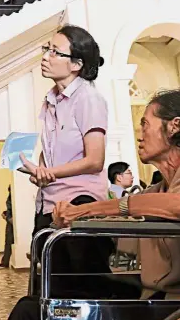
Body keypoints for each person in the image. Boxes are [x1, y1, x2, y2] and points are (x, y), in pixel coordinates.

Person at [8, 89, 180, 320]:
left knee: (33, 315)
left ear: (174, 126)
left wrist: (88, 210)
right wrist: (77, 217)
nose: (140, 135)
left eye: (146, 124)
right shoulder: (159, 188)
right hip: (153, 297)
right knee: (35, 306)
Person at [18, 24, 113, 298]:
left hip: (79, 207)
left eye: (54, 52)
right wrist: (37, 169)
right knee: (52, 294)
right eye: (46, 49)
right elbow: (50, 151)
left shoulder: (88, 98)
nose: (45, 56)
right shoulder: (50, 101)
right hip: (49, 205)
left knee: (80, 296)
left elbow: (95, 160)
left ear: (76, 64)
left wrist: (50, 172)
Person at [0, 185, 14, 268]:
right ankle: (5, 262)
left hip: (12, 221)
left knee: (9, 242)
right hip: (10, 221)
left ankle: (5, 262)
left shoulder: (13, 197)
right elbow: (9, 210)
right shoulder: (10, 198)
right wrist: (8, 217)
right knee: (8, 242)